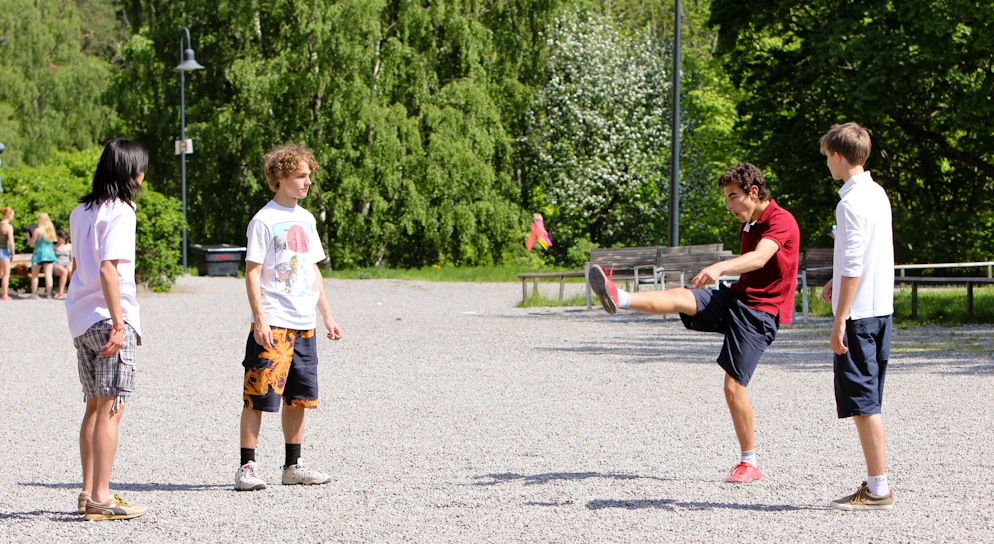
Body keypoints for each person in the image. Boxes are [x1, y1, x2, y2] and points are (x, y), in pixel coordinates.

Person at [588, 162, 800, 484]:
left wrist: (720, 267)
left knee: (733, 388)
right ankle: (621, 297)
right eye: (726, 198)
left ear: (753, 192)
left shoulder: (780, 220)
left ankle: (750, 464)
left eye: (733, 196)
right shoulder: (750, 223)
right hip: (737, 299)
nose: (728, 205)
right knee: (682, 296)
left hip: (760, 313)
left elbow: (760, 258)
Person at [235, 144, 343, 492]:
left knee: (299, 398)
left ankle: (292, 466)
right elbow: (252, 271)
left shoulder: (307, 219)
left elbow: (312, 269)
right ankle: (246, 468)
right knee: (258, 396)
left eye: (309, 175)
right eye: (300, 175)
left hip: (304, 323)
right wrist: (260, 318)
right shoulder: (264, 220)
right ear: (280, 177)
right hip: (275, 321)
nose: (307, 182)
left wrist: (327, 315)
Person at [65, 138, 148, 521]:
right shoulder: (122, 211)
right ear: (131, 172)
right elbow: (108, 269)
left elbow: (81, 265)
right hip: (108, 318)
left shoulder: (81, 211)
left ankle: (87, 492)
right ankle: (101, 496)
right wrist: (118, 323)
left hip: (81, 317)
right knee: (112, 408)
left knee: (93, 407)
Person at [819, 122, 896, 511]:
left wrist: (839, 319)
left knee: (864, 404)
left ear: (838, 155)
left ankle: (878, 489)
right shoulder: (877, 193)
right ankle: (876, 483)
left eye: (826, 157)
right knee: (870, 400)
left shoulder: (848, 203)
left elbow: (853, 265)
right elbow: (864, 253)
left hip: (860, 315)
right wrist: (836, 279)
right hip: (881, 309)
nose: (826, 164)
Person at [28, 212, 57, 299]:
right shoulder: (51, 230)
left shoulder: (37, 230)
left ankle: (34, 294)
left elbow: (31, 243)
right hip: (49, 253)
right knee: (48, 275)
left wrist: (27, 237)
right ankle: (49, 294)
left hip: (39, 253)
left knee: (35, 275)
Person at [54, 229, 73, 299]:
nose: (60, 240)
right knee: (64, 272)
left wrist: (71, 263)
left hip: (67, 263)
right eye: (59, 239)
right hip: (57, 263)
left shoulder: (69, 246)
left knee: (71, 270)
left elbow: (72, 258)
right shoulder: (54, 246)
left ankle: (73, 291)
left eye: (62, 239)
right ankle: (60, 292)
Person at [0, 206, 13, 300]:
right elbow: (11, 243)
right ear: (9, 215)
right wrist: (13, 253)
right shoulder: (8, 227)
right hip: (4, 251)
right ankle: (4, 295)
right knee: (5, 274)